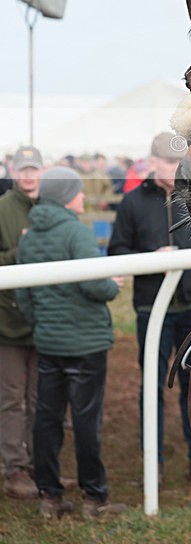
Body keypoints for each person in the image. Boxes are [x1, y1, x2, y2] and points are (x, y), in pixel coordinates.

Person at [15, 167, 127, 519]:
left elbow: (24, 295)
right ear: (66, 196)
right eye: (78, 191)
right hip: (85, 344)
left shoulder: (29, 236)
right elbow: (94, 285)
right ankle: (95, 498)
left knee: (47, 420)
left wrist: (43, 324)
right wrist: (113, 285)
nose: (82, 197)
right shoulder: (76, 232)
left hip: (49, 342)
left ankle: (49, 496)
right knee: (85, 420)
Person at [107, 131, 191, 482]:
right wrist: (151, 259)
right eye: (168, 162)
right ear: (152, 162)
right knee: (151, 385)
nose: (176, 168)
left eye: (180, 162)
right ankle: (155, 462)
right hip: (152, 309)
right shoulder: (132, 203)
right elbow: (117, 252)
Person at [0, 145, 43, 499]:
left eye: (34, 168)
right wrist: (20, 251)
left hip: (44, 320)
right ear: (14, 172)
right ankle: (13, 467)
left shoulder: (51, 207)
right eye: (23, 169)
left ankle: (35, 462)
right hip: (8, 322)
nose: (29, 175)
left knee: (38, 395)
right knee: (12, 397)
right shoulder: (2, 209)